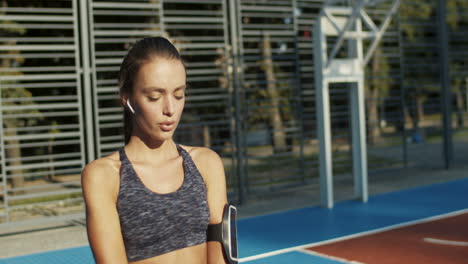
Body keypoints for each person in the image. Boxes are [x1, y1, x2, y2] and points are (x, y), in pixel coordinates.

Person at [81, 37, 228, 264]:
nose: (170, 109)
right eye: (154, 97)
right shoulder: (104, 176)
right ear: (127, 99)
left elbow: (222, 256)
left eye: (179, 94)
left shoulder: (207, 163)